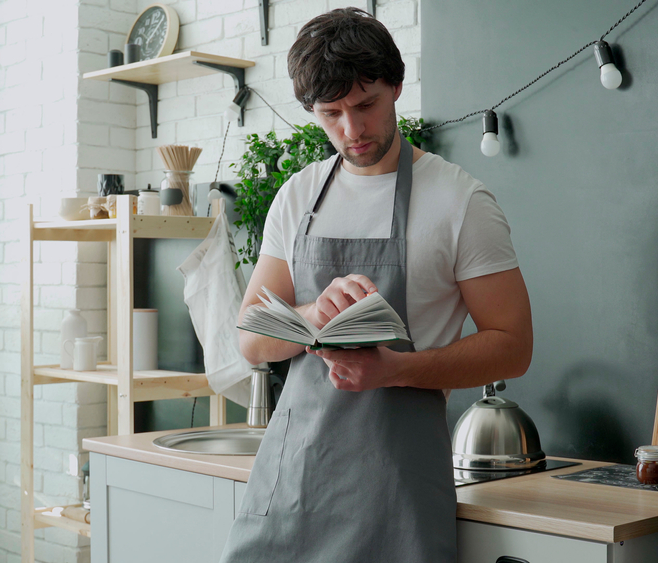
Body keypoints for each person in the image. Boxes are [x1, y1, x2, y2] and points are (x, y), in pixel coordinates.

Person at [219, 7, 533, 563]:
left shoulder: (460, 201)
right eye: (331, 114)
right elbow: (249, 336)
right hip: (291, 486)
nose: (352, 130)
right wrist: (311, 316)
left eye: (365, 105)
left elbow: (513, 344)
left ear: (396, 86)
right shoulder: (298, 197)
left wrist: (396, 370)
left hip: (396, 495)